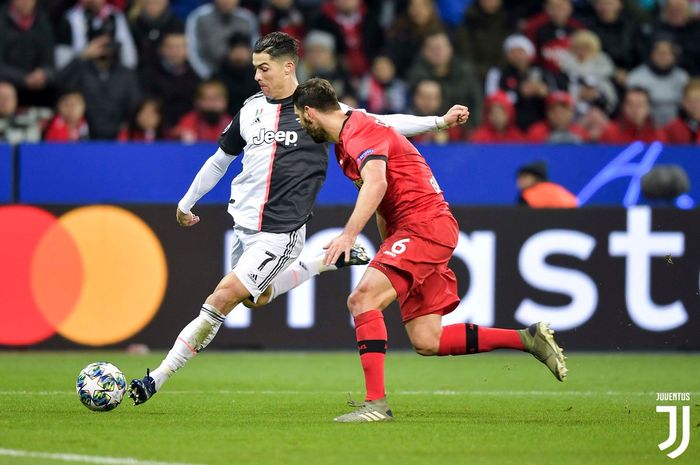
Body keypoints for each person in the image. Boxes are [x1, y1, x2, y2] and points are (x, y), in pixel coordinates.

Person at [127, 32, 470, 406]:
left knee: (222, 297)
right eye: (255, 68)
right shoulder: (251, 109)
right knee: (253, 300)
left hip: (281, 231)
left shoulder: (317, 112)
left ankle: (156, 378)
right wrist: (187, 201)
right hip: (243, 226)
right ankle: (323, 262)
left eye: (264, 68)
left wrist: (437, 121)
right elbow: (220, 160)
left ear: (288, 66)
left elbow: (382, 122)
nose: (257, 75)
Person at [292, 77, 568, 422]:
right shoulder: (349, 139)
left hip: (424, 225)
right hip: (417, 229)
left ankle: (376, 405)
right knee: (427, 339)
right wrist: (387, 247)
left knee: (361, 299)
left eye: (301, 120)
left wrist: (348, 235)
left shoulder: (359, 132)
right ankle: (528, 339)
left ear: (310, 112)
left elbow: (377, 184)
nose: (302, 127)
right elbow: (382, 202)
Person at [626, 37, 689, 127]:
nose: (662, 56)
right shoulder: (636, 77)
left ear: (674, 56)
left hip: (678, 126)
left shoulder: (682, 78)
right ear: (651, 54)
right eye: (659, 52)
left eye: (667, 53)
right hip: (645, 127)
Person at [599, 87, 665, 143]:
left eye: (640, 105)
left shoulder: (658, 135)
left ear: (648, 108)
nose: (635, 109)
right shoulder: (610, 132)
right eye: (630, 104)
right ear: (623, 107)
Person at [664, 79, 700, 144]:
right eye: (691, 100)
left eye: (699, 100)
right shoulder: (672, 129)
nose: (696, 105)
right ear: (684, 102)